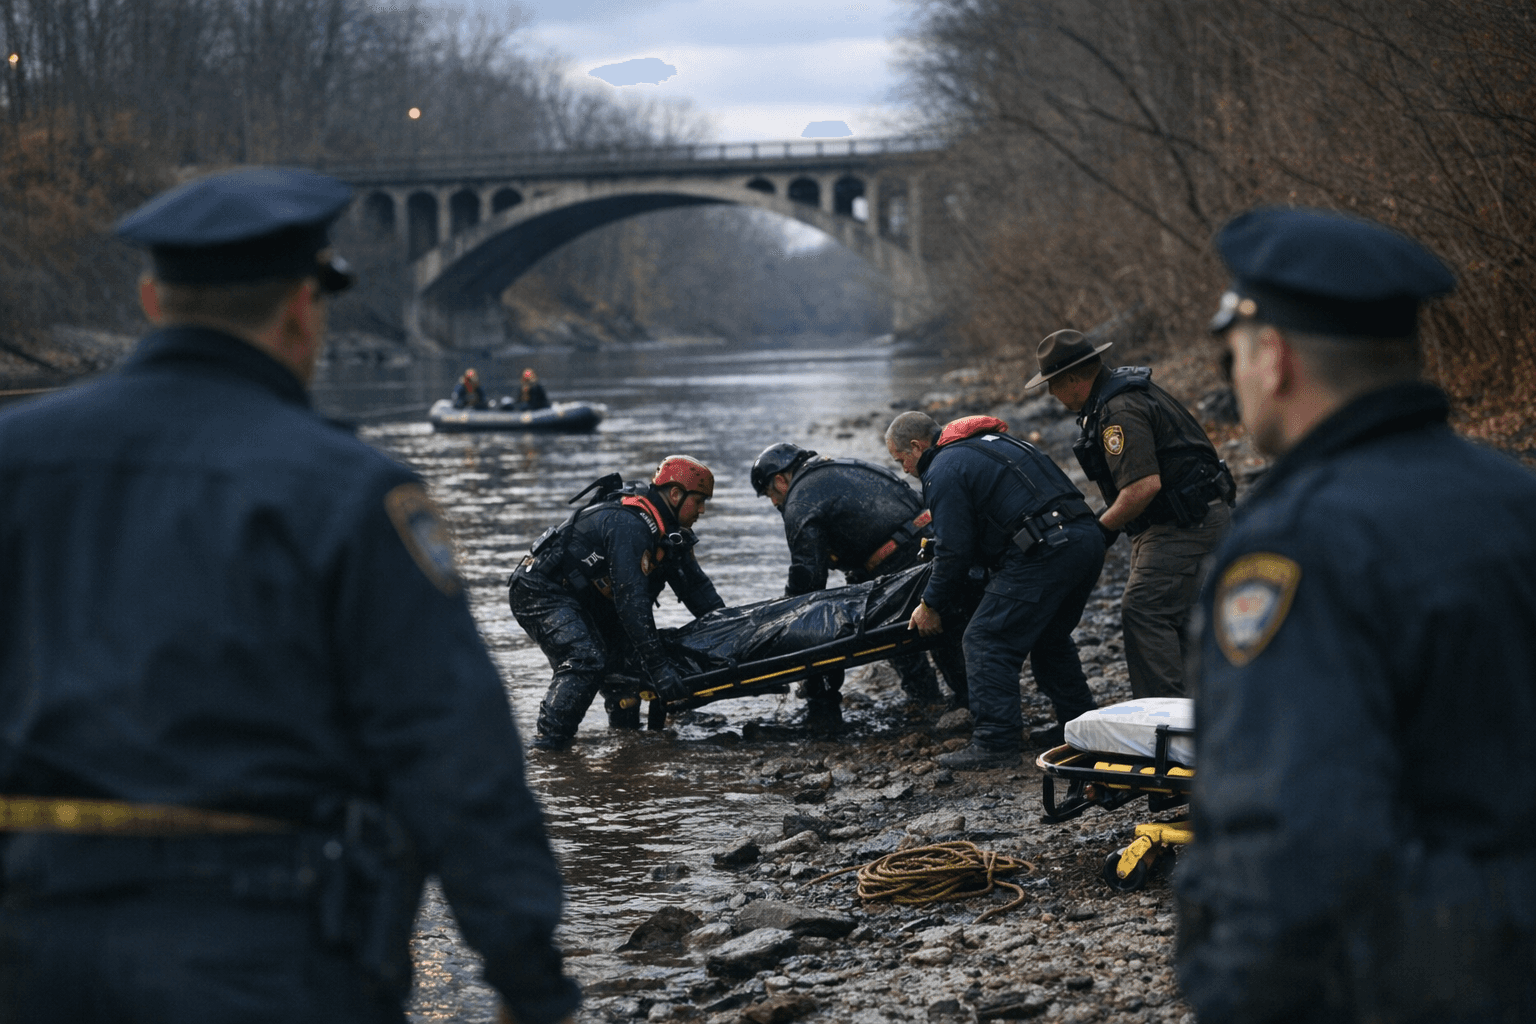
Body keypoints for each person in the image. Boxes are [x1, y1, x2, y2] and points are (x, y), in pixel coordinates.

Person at [0, 169, 579, 1024]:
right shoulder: (348, 492)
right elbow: (452, 757)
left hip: (29, 944)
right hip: (268, 953)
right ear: (305, 306)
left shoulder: (15, 460)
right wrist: (531, 982)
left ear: (152, 299)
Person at [1176, 206, 1536, 1022]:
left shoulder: (1299, 544)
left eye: (1230, 350)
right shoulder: (1516, 496)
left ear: (1273, 358)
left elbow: (1291, 836)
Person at [885, 411, 1104, 769]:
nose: (906, 470)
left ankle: (995, 742)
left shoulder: (942, 469)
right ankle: (1079, 728)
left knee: (986, 639)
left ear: (916, 446)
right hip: (1085, 538)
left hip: (1045, 549)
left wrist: (930, 604)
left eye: (902, 460)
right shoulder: (994, 444)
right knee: (1049, 635)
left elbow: (954, 549)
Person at [1031, 328, 1235, 698]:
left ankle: (1162, 721)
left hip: (1184, 523)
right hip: (1186, 518)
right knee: (1181, 615)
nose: (1051, 395)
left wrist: (1100, 529)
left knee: (1144, 609)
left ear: (1074, 379)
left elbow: (1143, 486)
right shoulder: (1118, 393)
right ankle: (1201, 707)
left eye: (1052, 385)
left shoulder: (1117, 410)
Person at [509, 455, 724, 750]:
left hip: (590, 595)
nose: (701, 510)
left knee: (626, 666)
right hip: (540, 590)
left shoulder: (673, 535)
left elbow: (699, 592)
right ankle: (549, 747)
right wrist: (660, 668)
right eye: (699, 502)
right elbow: (631, 604)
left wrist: (734, 634)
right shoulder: (629, 526)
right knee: (586, 657)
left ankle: (625, 744)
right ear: (676, 494)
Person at [749, 442, 955, 735]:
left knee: (895, 633)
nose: (773, 502)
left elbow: (808, 580)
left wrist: (783, 620)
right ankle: (955, 700)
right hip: (928, 539)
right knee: (942, 629)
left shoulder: (799, 499)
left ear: (780, 480)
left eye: (770, 493)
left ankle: (928, 703)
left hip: (897, 557)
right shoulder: (840, 467)